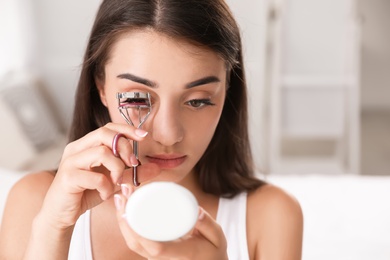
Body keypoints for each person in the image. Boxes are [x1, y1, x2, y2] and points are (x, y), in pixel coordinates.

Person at [0, 0, 303, 259]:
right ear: (101, 87)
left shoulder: (270, 215)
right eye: (136, 98)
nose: (169, 134)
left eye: (198, 101)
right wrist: (52, 233)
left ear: (226, 94)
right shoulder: (37, 202)